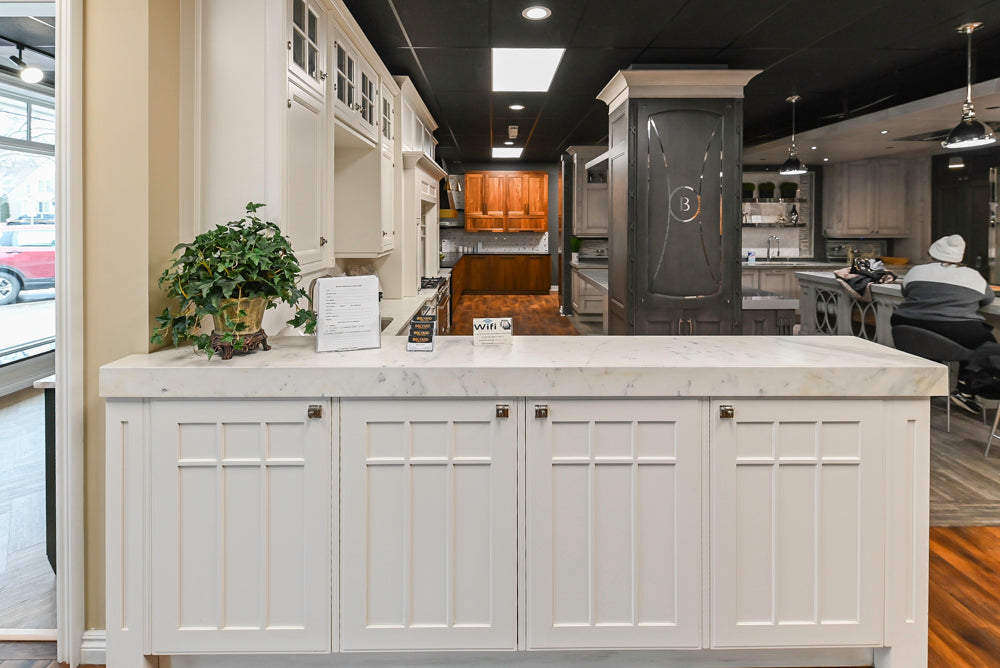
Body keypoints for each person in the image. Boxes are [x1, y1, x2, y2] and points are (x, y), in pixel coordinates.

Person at [891, 234, 996, 413]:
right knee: (989, 346)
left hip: (907, 327)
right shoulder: (973, 276)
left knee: (936, 345)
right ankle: (966, 390)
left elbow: (905, 290)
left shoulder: (916, 271)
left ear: (933, 253)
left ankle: (927, 387)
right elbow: (988, 299)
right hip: (954, 331)